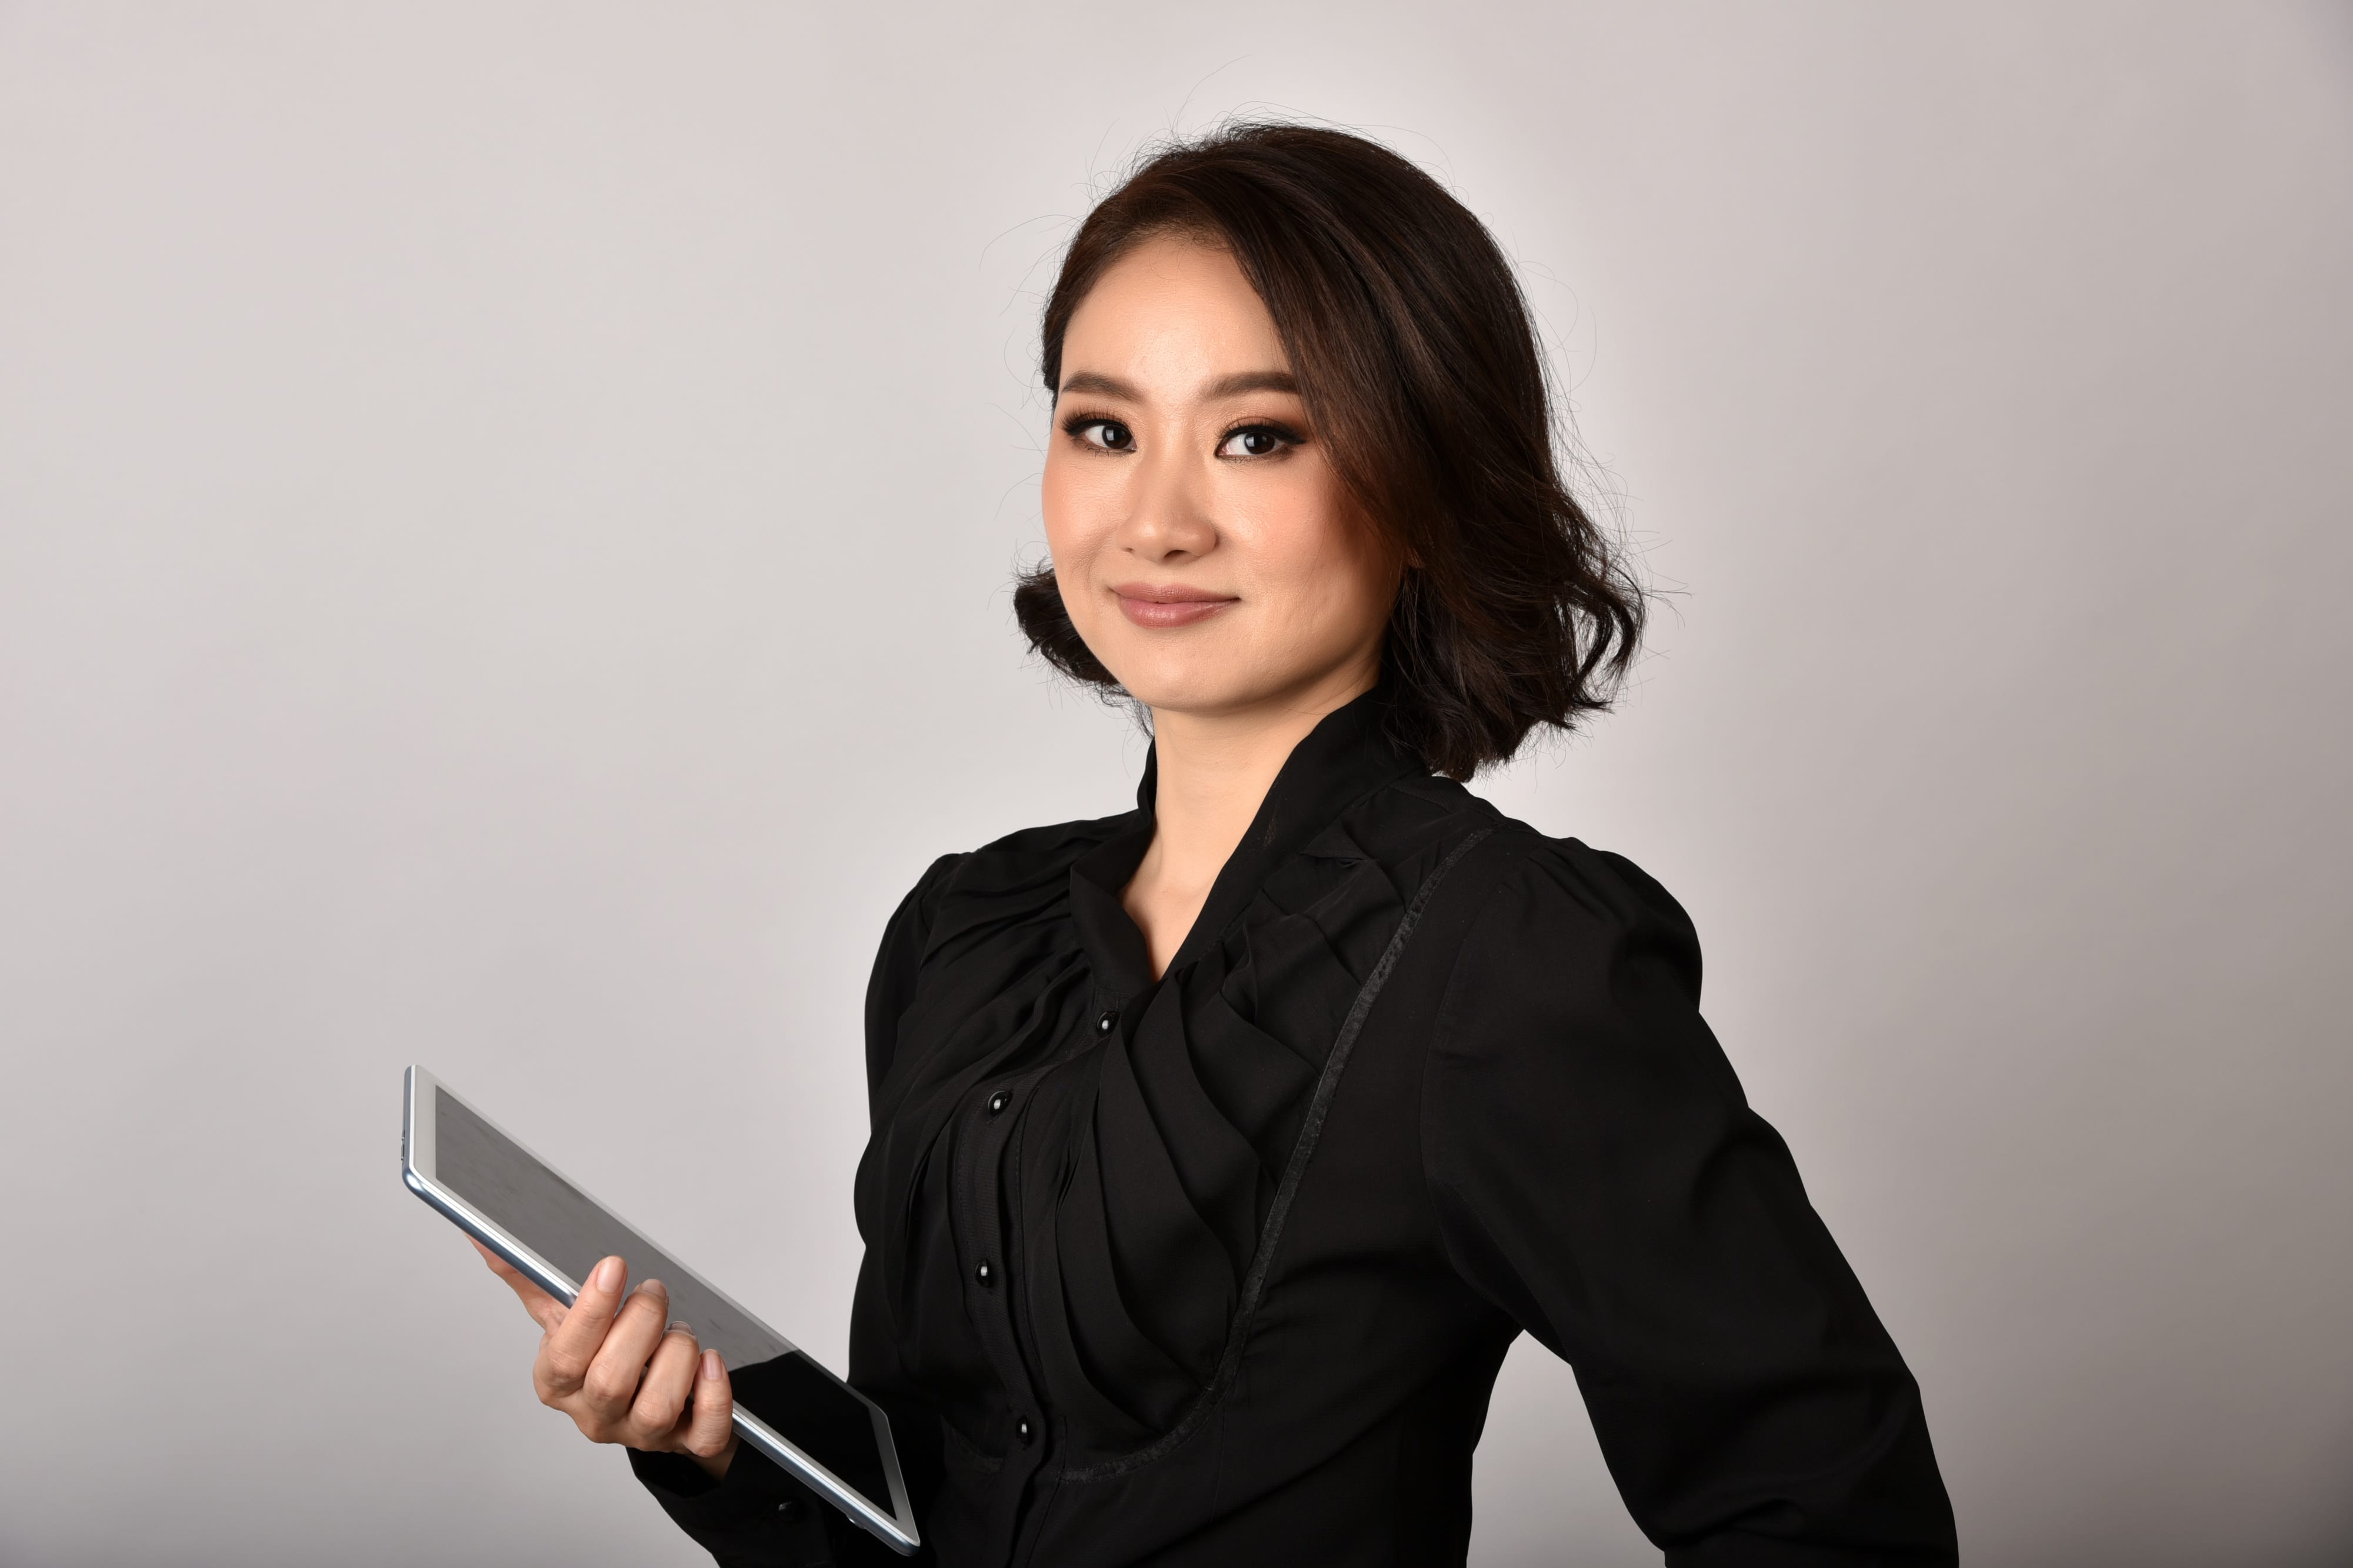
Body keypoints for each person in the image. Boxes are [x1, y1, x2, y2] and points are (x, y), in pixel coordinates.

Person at [475, 122, 1959, 1566]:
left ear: (1424, 489)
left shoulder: (1508, 961)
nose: (1155, 520)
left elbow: (1827, 1508)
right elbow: (954, 1495)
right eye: (1101, 427)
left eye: (1256, 436)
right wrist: (719, 1444)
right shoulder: (962, 936)